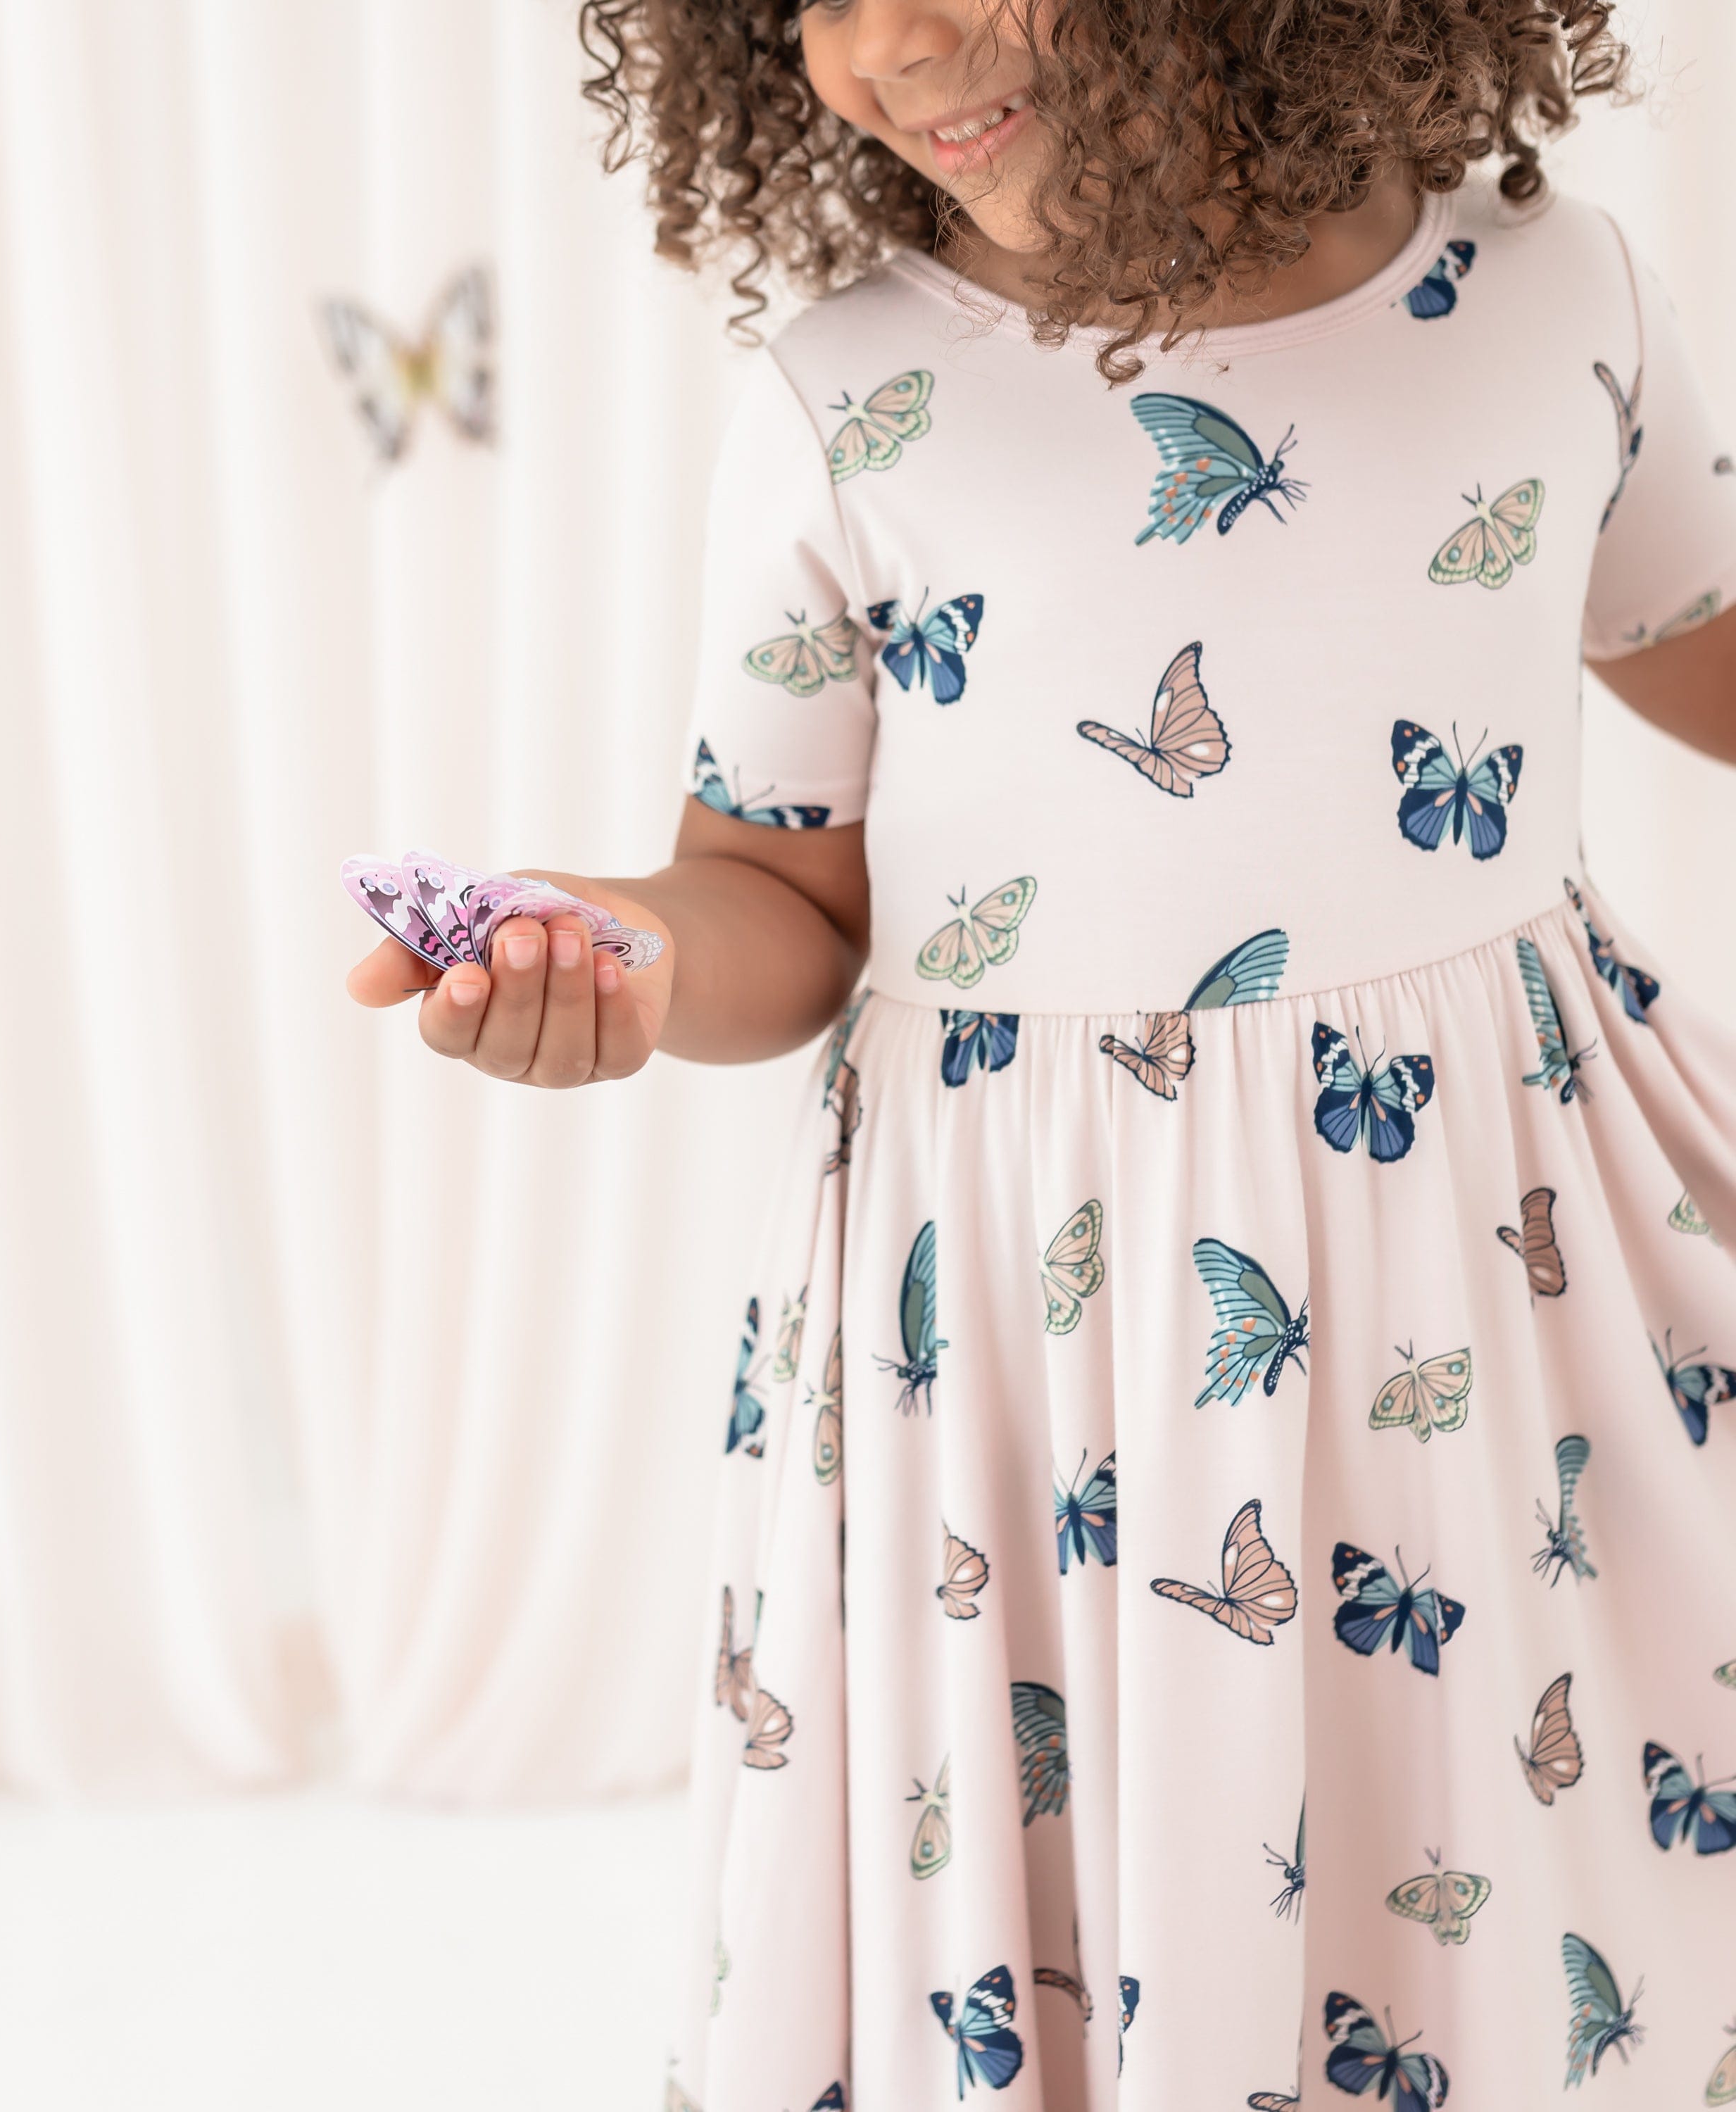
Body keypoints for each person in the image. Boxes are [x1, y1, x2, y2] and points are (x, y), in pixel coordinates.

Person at [347, 1, 1736, 2101]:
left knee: (1496, 1863)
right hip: (1028, 1321)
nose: (885, 42)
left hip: (1496, 1257)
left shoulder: (1554, 292)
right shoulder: (854, 393)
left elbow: (1698, 646)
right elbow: (784, 901)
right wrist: (621, 954)